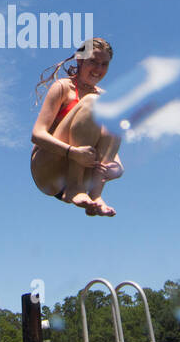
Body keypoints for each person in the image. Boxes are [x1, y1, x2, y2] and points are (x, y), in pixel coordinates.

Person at [30, 37, 124, 216]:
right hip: (48, 170)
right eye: (93, 62)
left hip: (84, 174)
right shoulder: (63, 87)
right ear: (80, 60)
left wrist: (117, 168)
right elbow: (37, 134)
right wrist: (72, 152)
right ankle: (74, 187)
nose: (98, 69)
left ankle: (95, 195)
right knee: (93, 102)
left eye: (104, 64)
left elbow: (109, 142)